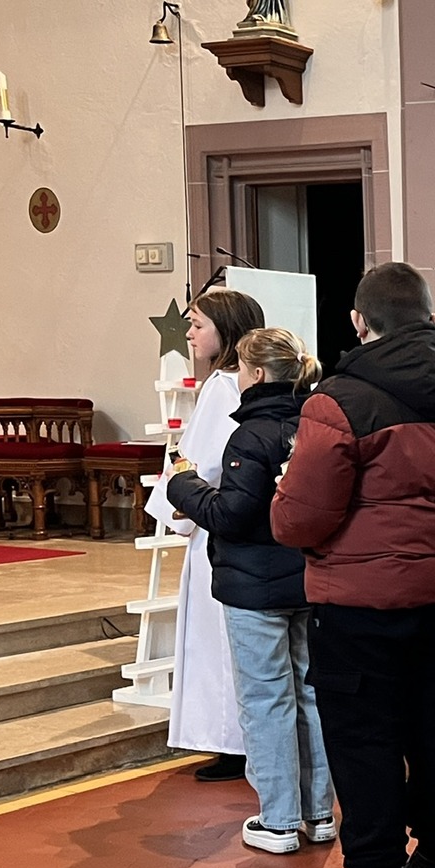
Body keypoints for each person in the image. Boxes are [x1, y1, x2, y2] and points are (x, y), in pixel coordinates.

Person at [271, 263, 435, 868]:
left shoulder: (339, 400)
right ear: (430, 320)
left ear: (359, 322)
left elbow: (298, 520)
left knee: (363, 739)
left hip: (358, 605)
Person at [164, 327, 335, 855]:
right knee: (310, 694)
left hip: (256, 587)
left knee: (266, 698)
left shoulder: (251, 435)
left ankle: (279, 820)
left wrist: (185, 484)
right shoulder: (315, 426)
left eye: (240, 368)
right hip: (307, 578)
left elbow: (232, 515)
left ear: (256, 374)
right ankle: (319, 813)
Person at [149, 287, 264, 782]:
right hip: (247, 524)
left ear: (226, 329)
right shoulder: (254, 381)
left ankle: (229, 742)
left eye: (198, 324)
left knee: (217, 642)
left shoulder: (221, 386)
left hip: (215, 522)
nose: (190, 333)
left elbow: (200, 463)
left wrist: (177, 509)